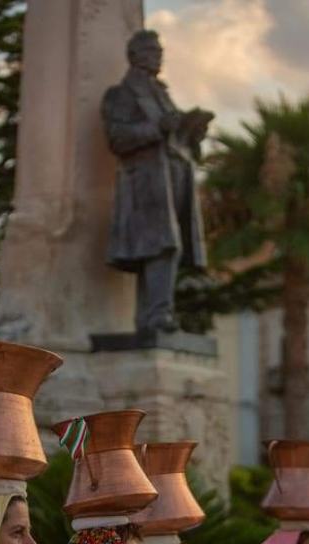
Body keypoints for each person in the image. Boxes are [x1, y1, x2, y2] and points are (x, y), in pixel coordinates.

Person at [101, 30, 213, 333]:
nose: (159, 55)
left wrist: (191, 133)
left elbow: (174, 136)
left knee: (169, 246)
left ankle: (154, 316)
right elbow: (118, 137)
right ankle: (157, 315)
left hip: (175, 174)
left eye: (160, 50)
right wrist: (157, 127)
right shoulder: (121, 94)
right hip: (147, 181)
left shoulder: (162, 92)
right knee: (163, 245)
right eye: (152, 50)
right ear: (135, 55)